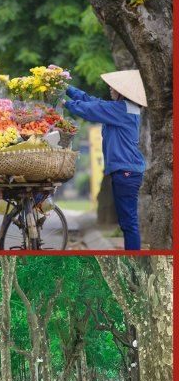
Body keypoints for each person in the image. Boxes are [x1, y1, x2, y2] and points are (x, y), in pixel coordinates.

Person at [63, 70, 147, 250]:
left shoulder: (122, 109)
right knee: (127, 222)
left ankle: (134, 259)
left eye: (114, 87)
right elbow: (91, 101)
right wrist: (64, 86)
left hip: (127, 172)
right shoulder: (121, 108)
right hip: (125, 171)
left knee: (129, 223)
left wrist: (66, 104)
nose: (110, 88)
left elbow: (91, 110)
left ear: (123, 92)